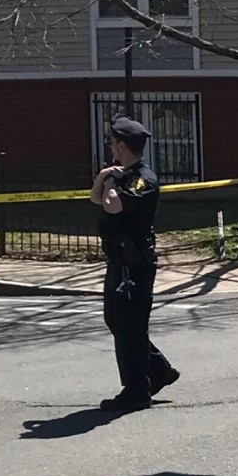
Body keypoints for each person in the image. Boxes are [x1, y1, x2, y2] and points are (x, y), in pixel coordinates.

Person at [90, 116, 179, 412]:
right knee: (117, 321)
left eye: (113, 143)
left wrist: (113, 183)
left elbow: (113, 204)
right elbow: (96, 199)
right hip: (119, 260)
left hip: (135, 264)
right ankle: (158, 371)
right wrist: (104, 176)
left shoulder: (142, 178)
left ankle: (136, 391)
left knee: (131, 326)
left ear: (123, 145)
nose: (110, 147)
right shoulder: (121, 173)